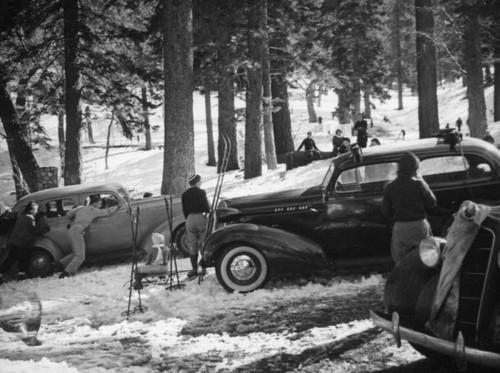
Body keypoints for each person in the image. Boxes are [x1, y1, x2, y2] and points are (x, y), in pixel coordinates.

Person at [382, 152, 437, 264]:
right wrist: (422, 180)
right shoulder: (419, 184)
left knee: (402, 263)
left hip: (401, 228)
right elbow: (432, 203)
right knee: (425, 260)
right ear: (415, 168)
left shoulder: (390, 186)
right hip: (420, 226)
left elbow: (385, 211)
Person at [57, 194, 119, 278]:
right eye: (99, 203)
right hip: (77, 231)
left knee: (77, 253)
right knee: (80, 256)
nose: (100, 205)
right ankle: (65, 273)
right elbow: (107, 212)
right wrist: (117, 206)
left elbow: (68, 214)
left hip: (72, 230)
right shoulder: (93, 210)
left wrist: (76, 216)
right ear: (94, 203)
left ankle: (59, 264)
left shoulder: (81, 208)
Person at [0, 202, 49, 284]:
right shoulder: (30, 218)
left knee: (13, 259)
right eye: (36, 209)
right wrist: (44, 229)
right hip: (22, 243)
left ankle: (19, 275)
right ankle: (21, 276)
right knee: (20, 259)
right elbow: (34, 231)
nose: (36, 211)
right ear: (31, 210)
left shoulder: (23, 216)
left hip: (16, 242)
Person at [181, 174, 210, 279]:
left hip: (189, 219)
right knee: (203, 242)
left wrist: (188, 218)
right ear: (197, 181)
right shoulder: (201, 192)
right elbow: (206, 207)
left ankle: (194, 269)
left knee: (192, 244)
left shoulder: (184, 194)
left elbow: (184, 209)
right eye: (200, 180)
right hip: (200, 217)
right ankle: (203, 268)